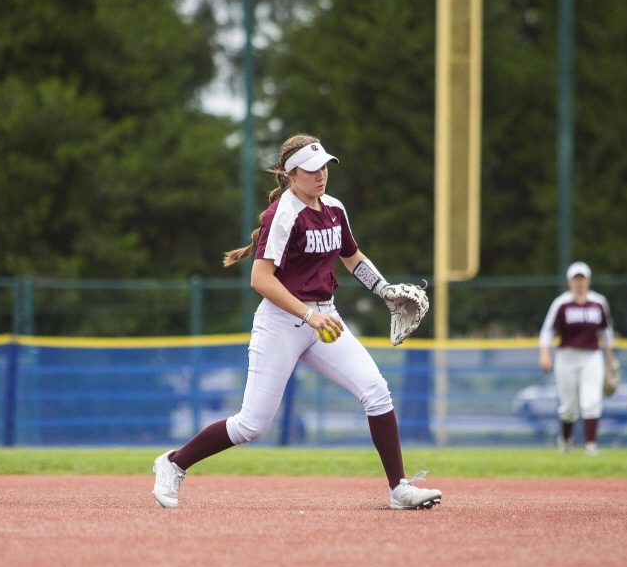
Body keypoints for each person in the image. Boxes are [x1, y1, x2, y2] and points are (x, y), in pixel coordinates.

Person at [151, 134, 441, 510]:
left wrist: (383, 289)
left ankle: (399, 488)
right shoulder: (283, 214)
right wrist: (308, 314)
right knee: (251, 424)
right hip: (282, 323)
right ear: (291, 174)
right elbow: (260, 279)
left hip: (325, 318)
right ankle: (173, 463)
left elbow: (351, 257)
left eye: (324, 167)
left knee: (376, 391)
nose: (320, 175)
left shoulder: (334, 209)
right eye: (311, 169)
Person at [538, 261, 616, 456]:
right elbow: (547, 331)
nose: (579, 282)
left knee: (591, 402)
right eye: (576, 279)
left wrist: (611, 359)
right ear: (569, 282)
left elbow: (606, 333)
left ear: (588, 281)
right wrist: (545, 354)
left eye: (582, 279)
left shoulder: (599, 302)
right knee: (568, 407)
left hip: (591, 356)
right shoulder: (562, 303)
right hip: (566, 356)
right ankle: (565, 441)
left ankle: (591, 445)